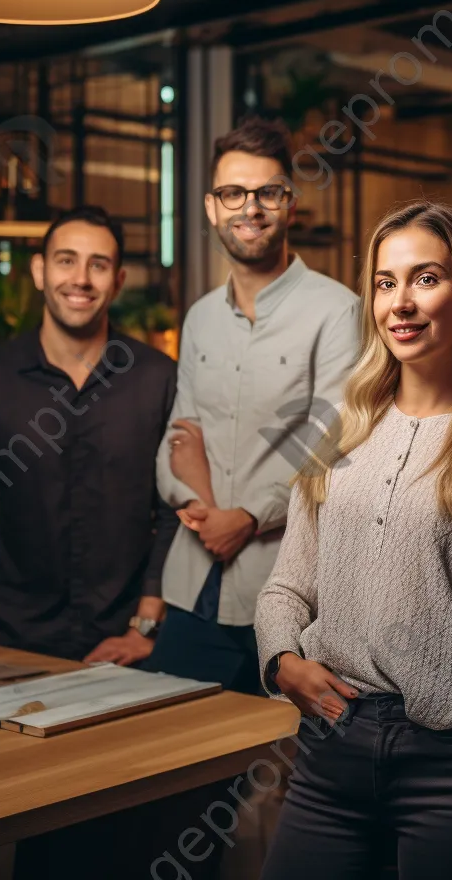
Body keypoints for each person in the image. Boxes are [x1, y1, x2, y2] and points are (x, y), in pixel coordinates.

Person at [254, 201, 452, 880]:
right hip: (331, 749)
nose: (401, 302)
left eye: (426, 278)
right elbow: (287, 584)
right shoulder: (340, 424)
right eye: (386, 282)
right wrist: (280, 659)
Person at [147, 115, 359, 695]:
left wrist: (247, 518)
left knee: (281, 771)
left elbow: (333, 443)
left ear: (288, 204)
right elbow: (178, 436)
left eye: (268, 192)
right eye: (233, 193)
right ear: (212, 208)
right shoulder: (200, 318)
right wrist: (201, 507)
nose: (251, 208)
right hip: (192, 585)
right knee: (171, 757)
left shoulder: (337, 311)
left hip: (288, 594)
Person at [0, 205, 177, 665]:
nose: (81, 279)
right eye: (66, 260)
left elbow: (171, 514)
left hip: (125, 645)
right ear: (40, 271)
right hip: (4, 637)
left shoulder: (158, 377)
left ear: (118, 280)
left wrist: (144, 627)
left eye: (98, 265)